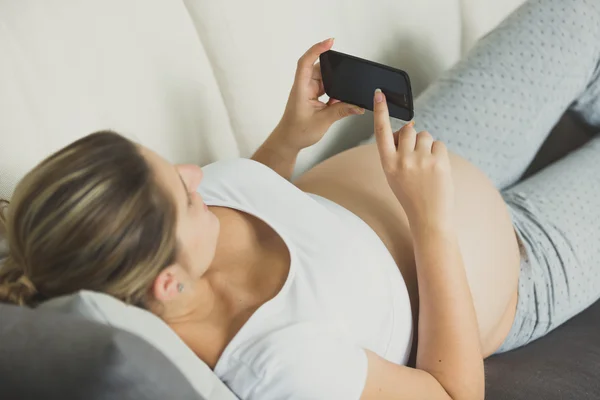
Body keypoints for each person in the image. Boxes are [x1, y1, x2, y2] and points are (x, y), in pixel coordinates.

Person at [1, 0, 599, 398]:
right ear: (168, 285)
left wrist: (290, 138)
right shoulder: (284, 365)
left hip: (421, 148)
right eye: (182, 194)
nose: (193, 174)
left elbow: (255, 195)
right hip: (519, 258)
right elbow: (451, 395)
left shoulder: (181, 237)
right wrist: (430, 221)